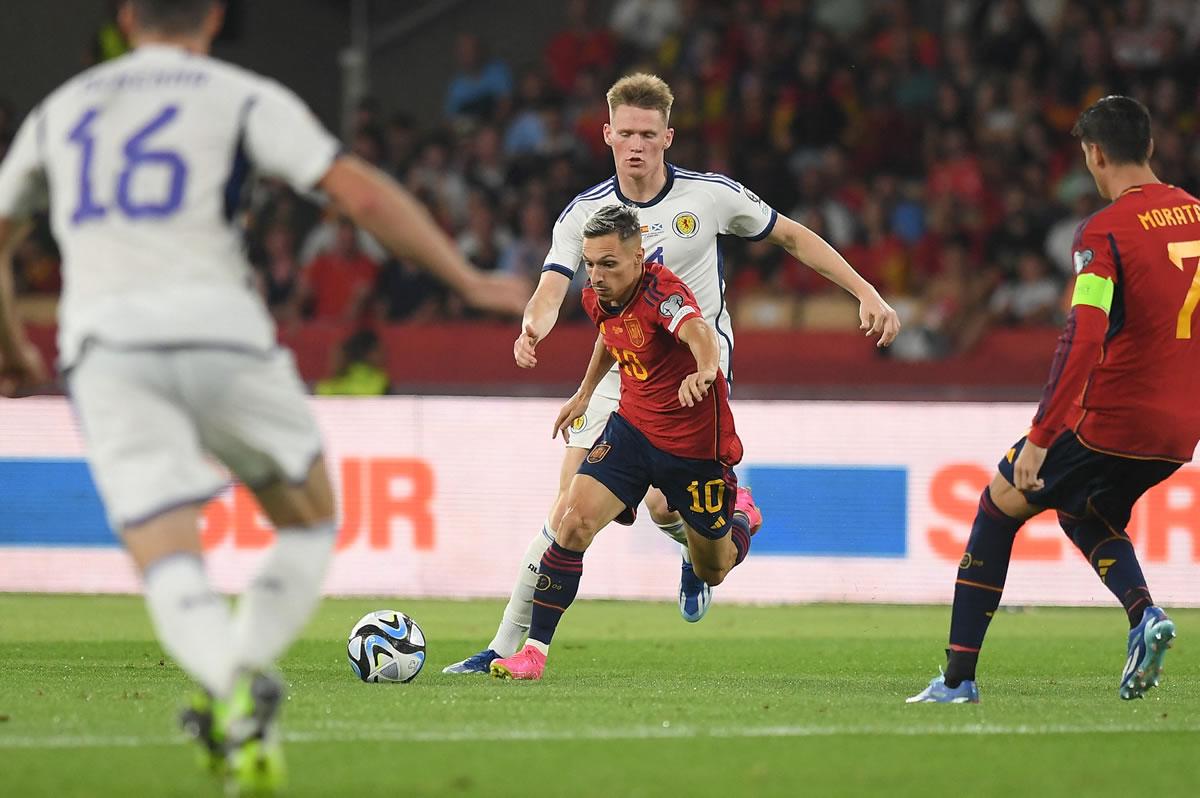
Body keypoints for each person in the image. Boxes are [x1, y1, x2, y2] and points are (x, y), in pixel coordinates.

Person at [0, 0, 525, 792]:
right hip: (222, 334)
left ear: (126, 16)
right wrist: (467, 279)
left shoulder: (61, 111)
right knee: (311, 517)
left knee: (169, 553)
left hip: (107, 351)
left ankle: (230, 689)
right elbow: (361, 196)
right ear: (213, 17)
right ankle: (240, 676)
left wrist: (13, 351)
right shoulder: (239, 95)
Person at [444, 73, 900, 674]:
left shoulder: (708, 196)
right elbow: (552, 283)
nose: (636, 144)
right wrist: (534, 325)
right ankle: (506, 649)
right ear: (607, 134)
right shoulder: (585, 215)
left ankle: (706, 538)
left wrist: (864, 291)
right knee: (568, 512)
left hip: (694, 367)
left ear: (668, 137)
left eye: (648, 134)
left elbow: (789, 235)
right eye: (625, 133)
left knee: (663, 506)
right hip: (620, 364)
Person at [908, 96, 1192, 705]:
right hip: (1178, 431)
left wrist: (1042, 435)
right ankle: (1144, 616)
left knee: (997, 504)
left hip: (1108, 420)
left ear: (1094, 154)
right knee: (1083, 511)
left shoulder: (1103, 231)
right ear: (1150, 147)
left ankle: (957, 680)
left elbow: (1084, 335)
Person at [490, 204, 761, 680]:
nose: (595, 275)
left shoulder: (664, 294)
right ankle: (533, 653)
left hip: (691, 447)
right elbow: (609, 338)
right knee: (572, 521)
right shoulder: (599, 295)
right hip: (632, 430)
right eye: (590, 264)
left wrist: (703, 370)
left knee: (713, 567)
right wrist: (583, 394)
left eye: (608, 264)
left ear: (639, 258)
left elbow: (700, 333)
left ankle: (741, 515)